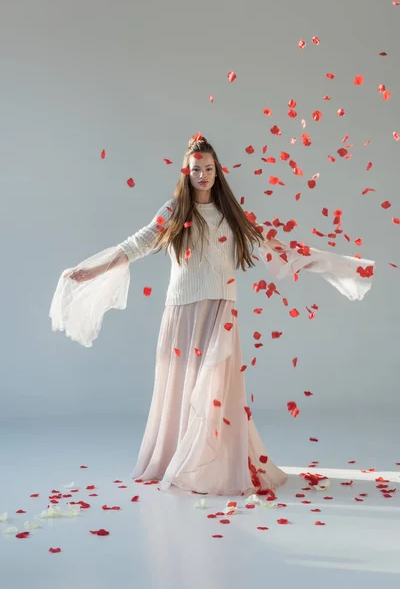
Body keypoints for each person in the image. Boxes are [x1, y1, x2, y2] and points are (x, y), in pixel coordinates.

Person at [49, 133, 375, 497]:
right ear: (186, 173)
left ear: (217, 173)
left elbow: (275, 247)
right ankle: (179, 459)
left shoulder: (231, 215)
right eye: (196, 169)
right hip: (182, 310)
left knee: (216, 388)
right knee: (183, 387)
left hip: (222, 307)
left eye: (209, 169)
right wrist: (90, 272)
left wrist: (339, 266)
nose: (203, 175)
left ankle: (211, 464)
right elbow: (137, 244)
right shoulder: (173, 211)